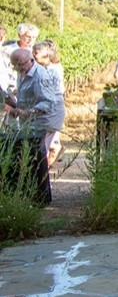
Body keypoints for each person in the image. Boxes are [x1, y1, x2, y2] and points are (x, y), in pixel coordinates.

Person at [3, 47, 63, 203]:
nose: (18, 68)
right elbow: (26, 97)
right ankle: (31, 192)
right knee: (29, 152)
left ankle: (41, 196)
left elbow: (48, 102)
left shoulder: (40, 76)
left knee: (36, 153)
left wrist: (24, 112)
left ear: (31, 60)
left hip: (46, 117)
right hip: (31, 116)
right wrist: (14, 102)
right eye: (15, 65)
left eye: (21, 65)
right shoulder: (22, 71)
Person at [31, 41, 65, 166]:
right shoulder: (42, 69)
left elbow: (50, 94)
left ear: (46, 55)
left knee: (43, 144)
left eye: (36, 53)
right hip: (46, 110)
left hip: (51, 111)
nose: (33, 55)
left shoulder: (52, 70)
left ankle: (42, 172)